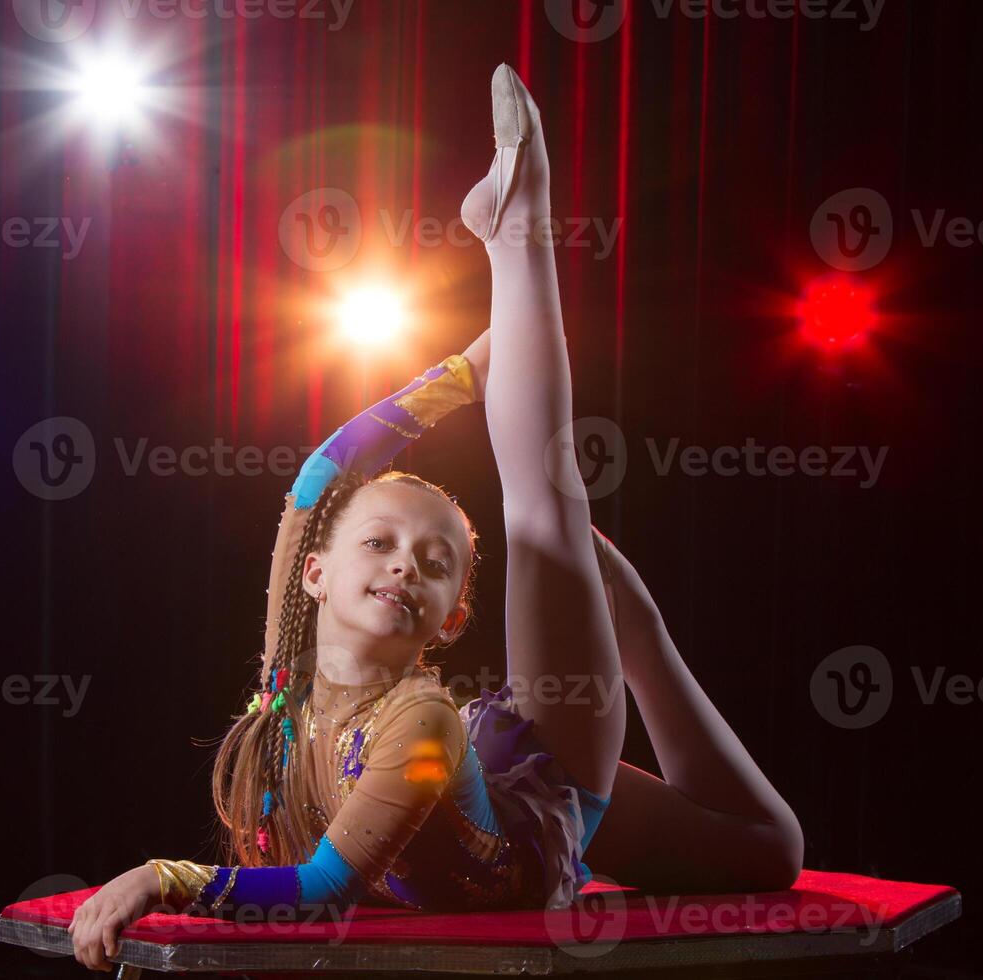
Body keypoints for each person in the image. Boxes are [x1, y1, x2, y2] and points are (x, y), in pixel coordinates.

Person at [69, 64, 802, 972]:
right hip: (488, 785)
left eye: (435, 560)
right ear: (315, 574)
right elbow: (316, 482)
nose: (404, 565)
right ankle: (630, 622)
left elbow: (322, 890)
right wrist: (457, 376)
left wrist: (167, 876)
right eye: (378, 543)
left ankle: (516, 226)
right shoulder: (285, 678)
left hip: (536, 807)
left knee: (541, 503)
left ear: (455, 616)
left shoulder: (421, 722)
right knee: (773, 853)